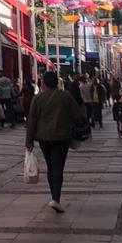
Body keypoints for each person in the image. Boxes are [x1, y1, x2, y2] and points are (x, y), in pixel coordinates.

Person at [25, 71, 86, 214]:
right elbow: (77, 114)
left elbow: (32, 120)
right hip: (61, 136)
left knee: (50, 166)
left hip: (44, 137)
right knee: (58, 166)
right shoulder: (65, 96)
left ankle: (54, 196)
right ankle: (56, 198)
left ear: (44, 83)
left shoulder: (38, 98)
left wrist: (29, 140)